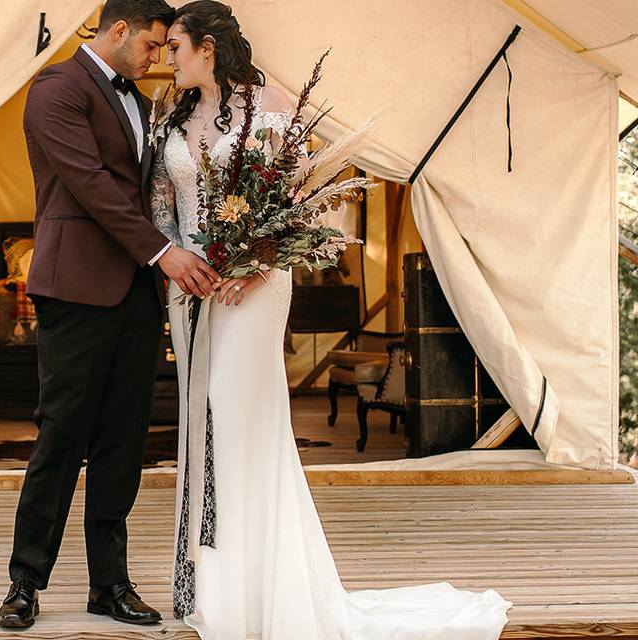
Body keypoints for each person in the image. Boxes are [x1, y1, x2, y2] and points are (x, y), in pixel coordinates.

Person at [150, 2, 513, 638]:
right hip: (193, 290)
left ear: (206, 47)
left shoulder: (273, 109)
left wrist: (256, 264)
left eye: (175, 47)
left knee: (245, 422)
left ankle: (266, 590)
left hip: (255, 290)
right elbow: (159, 207)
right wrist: (180, 264)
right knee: (199, 425)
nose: (167, 59)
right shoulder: (168, 116)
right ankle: (215, 586)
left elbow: (302, 209)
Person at [0, 0, 221, 629]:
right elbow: (91, 184)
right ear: (118, 30)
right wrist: (164, 253)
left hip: (137, 295)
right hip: (76, 288)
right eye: (152, 45)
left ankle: (110, 585)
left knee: (123, 443)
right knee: (62, 435)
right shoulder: (55, 89)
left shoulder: (144, 103)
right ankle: (25, 582)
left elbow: (149, 190)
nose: (156, 58)